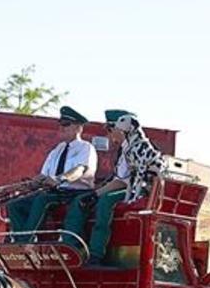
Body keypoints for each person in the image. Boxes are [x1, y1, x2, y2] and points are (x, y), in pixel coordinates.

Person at [63, 109, 165, 265]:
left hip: (142, 190)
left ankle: (96, 254)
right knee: (81, 200)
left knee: (105, 201)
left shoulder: (139, 146)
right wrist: (93, 194)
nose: (109, 135)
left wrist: (98, 195)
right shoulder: (124, 149)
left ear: (121, 129)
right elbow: (120, 179)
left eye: (110, 130)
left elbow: (125, 181)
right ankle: (72, 248)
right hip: (128, 187)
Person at [6, 106, 97, 242]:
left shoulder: (86, 148)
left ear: (79, 128)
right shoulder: (57, 149)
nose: (61, 128)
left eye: (66, 124)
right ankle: (19, 238)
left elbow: (80, 169)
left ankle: (26, 241)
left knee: (42, 199)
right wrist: (30, 184)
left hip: (74, 192)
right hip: (55, 191)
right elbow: (44, 175)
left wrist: (60, 179)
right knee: (14, 203)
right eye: (60, 124)